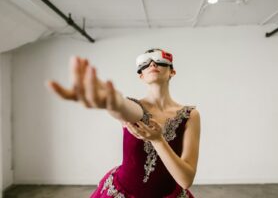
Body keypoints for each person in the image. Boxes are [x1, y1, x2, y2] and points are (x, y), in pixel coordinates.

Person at [46, 48, 201, 198]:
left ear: (172, 72)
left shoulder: (190, 115)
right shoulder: (134, 107)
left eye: (159, 60)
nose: (152, 64)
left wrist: (158, 140)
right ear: (141, 76)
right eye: (145, 63)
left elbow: (186, 180)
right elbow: (123, 107)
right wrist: (110, 101)